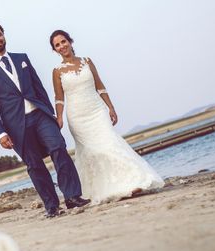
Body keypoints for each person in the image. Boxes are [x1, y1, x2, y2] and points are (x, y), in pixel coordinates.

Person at [0, 23, 90, 217]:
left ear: (4, 36)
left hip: (40, 115)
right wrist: (0, 133)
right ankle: (52, 206)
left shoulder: (22, 59)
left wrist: (50, 111)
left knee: (58, 148)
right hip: (16, 126)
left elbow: (38, 87)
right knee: (34, 165)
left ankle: (72, 197)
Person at [50, 29, 164, 203]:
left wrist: (111, 107)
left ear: (70, 41)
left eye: (63, 41)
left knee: (110, 142)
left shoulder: (87, 61)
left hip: (97, 111)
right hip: (77, 117)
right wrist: (59, 118)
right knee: (93, 151)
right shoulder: (57, 71)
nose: (61, 46)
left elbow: (100, 85)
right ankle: (101, 188)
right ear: (55, 50)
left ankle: (132, 182)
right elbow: (59, 98)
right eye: (57, 45)